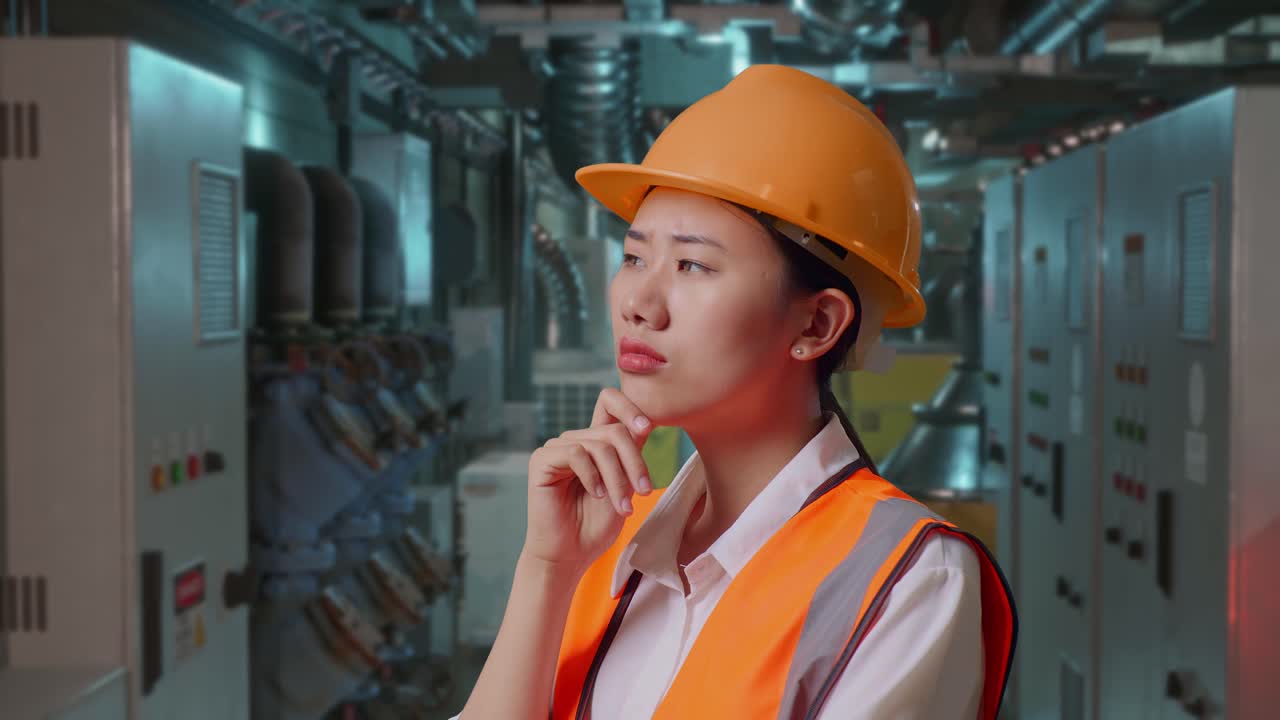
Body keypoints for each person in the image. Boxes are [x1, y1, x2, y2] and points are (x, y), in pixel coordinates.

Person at [453, 64, 1016, 720]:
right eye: (634, 257)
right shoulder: (613, 536)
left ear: (816, 324)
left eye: (693, 265)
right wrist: (546, 567)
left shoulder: (909, 579)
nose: (639, 301)